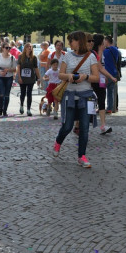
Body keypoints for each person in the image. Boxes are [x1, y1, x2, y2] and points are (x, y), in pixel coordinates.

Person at [52, 31, 100, 168]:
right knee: (67, 126)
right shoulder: (67, 56)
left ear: (78, 41)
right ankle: (58, 142)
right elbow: (60, 74)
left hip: (86, 95)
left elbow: (96, 77)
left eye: (71, 40)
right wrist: (69, 76)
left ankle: (81, 156)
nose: (69, 43)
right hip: (70, 95)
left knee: (84, 127)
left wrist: (85, 77)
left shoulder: (91, 57)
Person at [90, 33, 117, 134]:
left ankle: (103, 125)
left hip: (101, 80)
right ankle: (78, 124)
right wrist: (100, 51)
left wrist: (107, 76)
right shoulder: (92, 53)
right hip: (93, 80)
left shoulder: (103, 52)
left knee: (102, 101)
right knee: (89, 102)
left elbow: (102, 67)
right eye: (103, 41)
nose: (105, 42)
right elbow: (98, 66)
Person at [16, 42, 41, 116]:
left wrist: (39, 78)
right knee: (23, 93)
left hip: (31, 78)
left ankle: (28, 109)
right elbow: (18, 67)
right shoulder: (21, 56)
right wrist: (19, 77)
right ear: (25, 48)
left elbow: (36, 68)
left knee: (29, 93)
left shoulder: (34, 57)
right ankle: (21, 105)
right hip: (23, 78)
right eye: (28, 47)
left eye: (30, 47)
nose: (29, 48)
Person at [0, 42, 16, 116]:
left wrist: (8, 70)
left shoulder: (12, 58)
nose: (8, 49)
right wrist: (0, 73)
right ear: (3, 48)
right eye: (6, 48)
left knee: (7, 95)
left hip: (9, 78)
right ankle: (1, 108)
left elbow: (14, 69)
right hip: (1, 77)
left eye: (9, 48)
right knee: (1, 94)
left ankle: (5, 110)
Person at [103, 36, 120, 113]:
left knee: (102, 91)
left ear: (107, 41)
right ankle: (110, 108)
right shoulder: (116, 50)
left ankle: (102, 107)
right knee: (111, 91)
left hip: (106, 73)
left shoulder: (105, 51)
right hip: (114, 73)